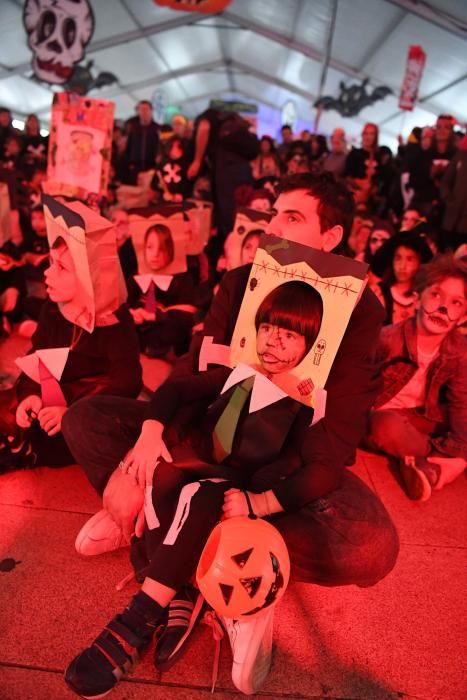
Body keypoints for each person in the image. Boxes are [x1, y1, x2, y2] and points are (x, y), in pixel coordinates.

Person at [62, 172, 398, 685]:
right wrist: (142, 454)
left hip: (285, 461)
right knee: (88, 419)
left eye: (292, 217)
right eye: (272, 214)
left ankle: (182, 549)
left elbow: (337, 437)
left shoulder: (361, 311)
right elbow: (195, 376)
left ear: (331, 238)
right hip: (211, 434)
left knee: (372, 546)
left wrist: (257, 501)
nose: (272, 227)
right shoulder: (241, 281)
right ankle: (185, 540)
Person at [64, 281, 324, 697]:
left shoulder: (301, 404)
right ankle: (180, 593)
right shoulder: (237, 375)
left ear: (310, 347)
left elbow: (295, 463)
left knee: (200, 496)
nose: (274, 340)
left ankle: (136, 620)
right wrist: (151, 433)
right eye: (268, 327)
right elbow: (174, 389)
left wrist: (257, 501)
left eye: (289, 335)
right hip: (189, 466)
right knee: (161, 473)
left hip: (230, 489)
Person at [1, 226, 142, 473]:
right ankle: (24, 442)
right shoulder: (53, 310)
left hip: (89, 406)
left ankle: (27, 447)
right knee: (13, 407)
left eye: (62, 267)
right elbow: (37, 359)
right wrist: (30, 395)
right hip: (51, 397)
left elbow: (127, 384)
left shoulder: (115, 320)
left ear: (90, 279)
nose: (48, 273)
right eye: (51, 262)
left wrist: (70, 413)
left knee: (75, 435)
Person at [364, 254, 467, 501]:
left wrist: (460, 450)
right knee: (384, 426)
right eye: (436, 295)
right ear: (417, 297)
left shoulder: (459, 349)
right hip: (379, 415)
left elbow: (461, 402)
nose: (443, 308)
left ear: (463, 317)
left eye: (456, 303)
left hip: (420, 416)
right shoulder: (387, 338)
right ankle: (437, 462)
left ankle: (437, 460)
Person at [127, 224, 201, 359]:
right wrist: (133, 314)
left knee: (173, 330)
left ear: (171, 249)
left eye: (161, 249)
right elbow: (125, 302)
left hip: (164, 327)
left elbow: (188, 314)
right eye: (150, 247)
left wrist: (156, 316)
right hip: (140, 327)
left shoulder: (182, 278)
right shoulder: (136, 275)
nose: (155, 254)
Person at [370, 232, 433, 325]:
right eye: (398, 258)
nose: (402, 266)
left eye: (410, 259)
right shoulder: (378, 294)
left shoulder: (424, 298)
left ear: (419, 262)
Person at [123, 100, 160, 185]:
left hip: (152, 168)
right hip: (135, 168)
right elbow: (129, 148)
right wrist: (129, 163)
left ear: (151, 111)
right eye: (141, 109)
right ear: (138, 112)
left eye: (146, 109)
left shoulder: (157, 129)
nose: (144, 112)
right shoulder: (133, 129)